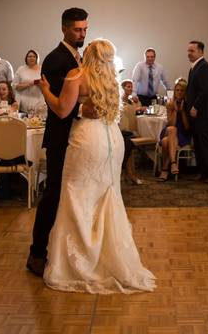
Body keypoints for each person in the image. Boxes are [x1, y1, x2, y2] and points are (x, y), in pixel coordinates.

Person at [39, 37, 156, 293]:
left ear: (88, 54)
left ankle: (83, 261)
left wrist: (45, 90)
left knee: (79, 195)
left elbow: (61, 110)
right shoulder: (111, 79)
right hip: (111, 139)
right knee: (106, 195)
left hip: (88, 140)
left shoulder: (77, 74)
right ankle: (109, 258)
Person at [27, 8, 88, 278]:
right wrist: (84, 110)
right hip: (60, 137)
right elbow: (61, 107)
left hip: (76, 138)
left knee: (71, 196)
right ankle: (36, 253)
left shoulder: (78, 56)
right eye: (77, 29)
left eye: (85, 29)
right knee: (52, 195)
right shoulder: (54, 60)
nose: (82, 34)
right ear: (64, 28)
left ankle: (66, 250)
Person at [186, 40, 208, 183]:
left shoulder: (204, 67)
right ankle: (204, 172)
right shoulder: (195, 67)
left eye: (192, 51)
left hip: (203, 113)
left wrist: (196, 106)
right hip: (197, 114)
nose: (189, 53)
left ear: (201, 52)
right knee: (199, 144)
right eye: (188, 51)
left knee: (206, 143)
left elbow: (205, 91)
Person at [157, 79, 191, 181]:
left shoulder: (188, 105)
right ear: (174, 92)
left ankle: (164, 170)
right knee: (172, 129)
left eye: (181, 90)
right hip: (169, 130)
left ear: (185, 92)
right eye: (177, 90)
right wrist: (176, 111)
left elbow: (187, 127)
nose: (179, 92)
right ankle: (173, 163)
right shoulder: (170, 104)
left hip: (183, 133)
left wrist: (183, 111)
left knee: (165, 141)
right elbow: (171, 123)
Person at [13, 50, 43, 114]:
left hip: (39, 103)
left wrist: (40, 84)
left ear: (37, 58)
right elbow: (15, 86)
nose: (31, 58)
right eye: (29, 56)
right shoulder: (21, 69)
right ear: (26, 58)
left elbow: (47, 87)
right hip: (23, 104)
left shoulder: (42, 69)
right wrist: (29, 84)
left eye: (34, 56)